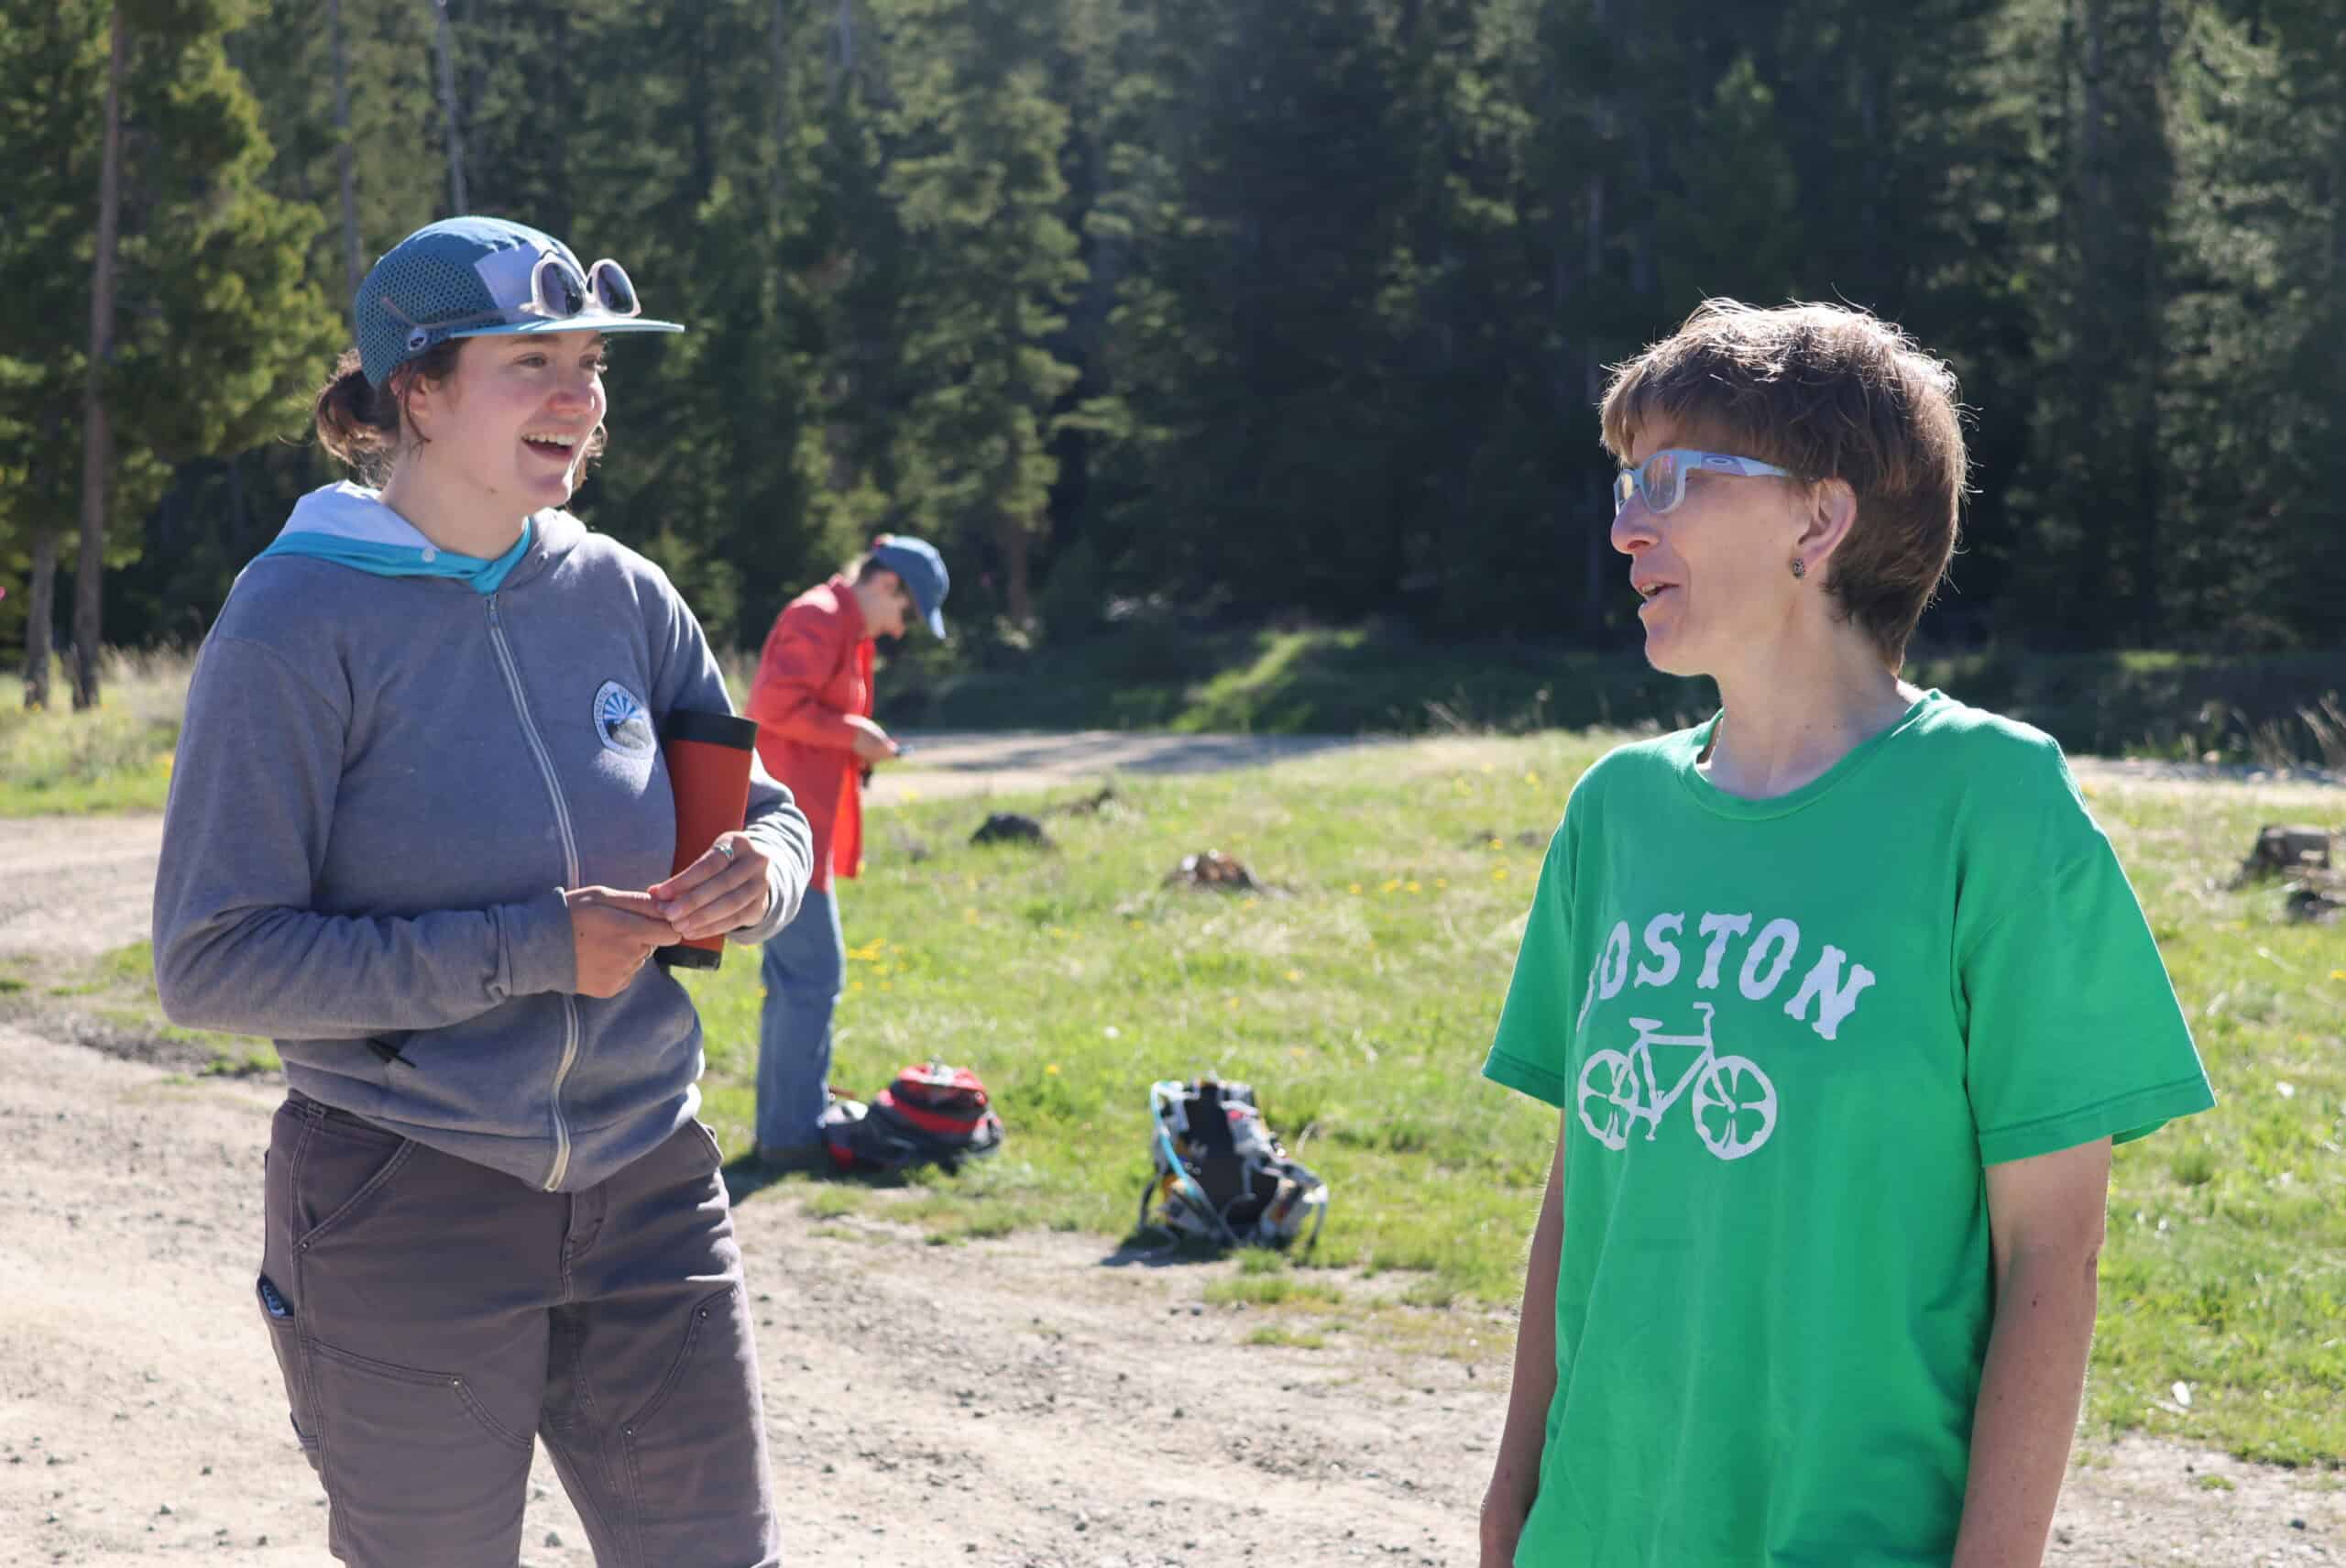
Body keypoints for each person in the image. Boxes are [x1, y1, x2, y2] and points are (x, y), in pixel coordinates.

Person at [1478, 299, 2215, 1568]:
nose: (1624, 522)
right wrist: (1513, 1499)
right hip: (1599, 1529)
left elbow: (2054, 1251)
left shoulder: (1994, 805)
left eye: (1671, 478)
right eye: (1620, 482)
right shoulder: (1616, 815)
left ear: (1820, 520)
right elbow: (1581, 1187)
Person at [151, 215, 814, 1566]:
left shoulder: (627, 592)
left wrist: (766, 872)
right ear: (420, 389)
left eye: (593, 364)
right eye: (535, 361)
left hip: (652, 1184)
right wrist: (527, 947)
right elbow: (211, 959)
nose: (580, 397)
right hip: (407, 1192)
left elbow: (756, 807)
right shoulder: (294, 617)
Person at [742, 534, 949, 1168]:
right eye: (908, 613)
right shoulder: (819, 617)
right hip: (784, 832)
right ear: (887, 584)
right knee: (812, 977)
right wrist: (852, 733)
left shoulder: (845, 629)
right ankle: (790, 1137)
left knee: (799, 980)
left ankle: (788, 1129)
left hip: (808, 830)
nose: (899, 629)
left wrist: (855, 745)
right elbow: (769, 705)